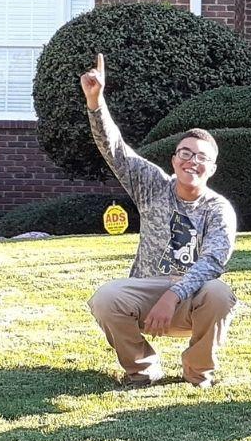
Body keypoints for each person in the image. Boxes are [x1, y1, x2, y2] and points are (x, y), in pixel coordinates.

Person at [81, 54, 238, 389]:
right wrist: (96, 103)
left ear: (211, 169)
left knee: (220, 293)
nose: (192, 161)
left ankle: (197, 373)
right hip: (146, 291)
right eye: (185, 153)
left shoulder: (218, 208)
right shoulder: (153, 186)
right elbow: (116, 151)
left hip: (191, 299)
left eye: (201, 157)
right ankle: (141, 368)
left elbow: (213, 261)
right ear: (174, 159)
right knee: (106, 298)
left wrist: (174, 295)